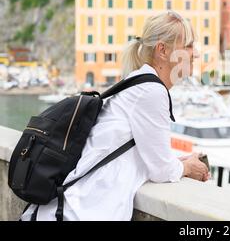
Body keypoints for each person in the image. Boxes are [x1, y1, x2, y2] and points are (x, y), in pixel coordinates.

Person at [21, 11, 209, 220]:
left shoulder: (138, 84)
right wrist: (187, 166)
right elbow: (161, 170)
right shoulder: (151, 92)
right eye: (189, 45)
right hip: (80, 213)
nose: (196, 53)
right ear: (163, 50)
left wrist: (176, 162)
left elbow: (144, 156)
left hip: (72, 209)